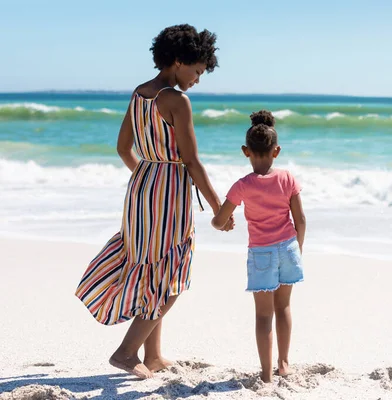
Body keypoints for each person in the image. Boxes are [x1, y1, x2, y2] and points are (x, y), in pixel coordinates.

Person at [75, 24, 233, 379]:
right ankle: (127, 351)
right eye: (196, 71)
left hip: (141, 188)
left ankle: (154, 354)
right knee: (172, 273)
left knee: (152, 266)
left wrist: (147, 181)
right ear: (178, 62)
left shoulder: (139, 94)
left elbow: (122, 149)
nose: (197, 80)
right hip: (169, 193)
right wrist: (220, 210)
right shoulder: (177, 101)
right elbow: (192, 162)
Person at [211, 110, 306, 383]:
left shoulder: (242, 186)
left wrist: (225, 223)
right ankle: (284, 364)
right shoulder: (287, 178)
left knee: (263, 315)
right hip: (288, 248)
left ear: (245, 151)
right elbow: (300, 219)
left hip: (261, 253)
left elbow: (218, 220)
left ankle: (266, 374)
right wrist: (297, 248)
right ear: (276, 151)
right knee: (284, 307)